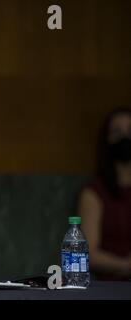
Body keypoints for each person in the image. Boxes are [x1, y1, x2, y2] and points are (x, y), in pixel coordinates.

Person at [78, 106, 131, 281]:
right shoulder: (94, 193)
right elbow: (89, 254)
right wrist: (126, 265)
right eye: (117, 132)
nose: (125, 137)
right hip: (112, 286)